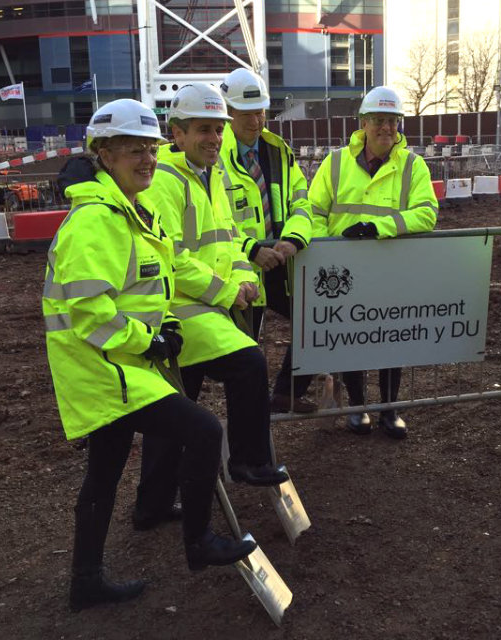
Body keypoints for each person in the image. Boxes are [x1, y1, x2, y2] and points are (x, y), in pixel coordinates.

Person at [43, 99, 258, 612]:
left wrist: (167, 324)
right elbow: (91, 313)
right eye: (133, 150)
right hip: (104, 368)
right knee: (203, 430)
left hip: (118, 362)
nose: (147, 160)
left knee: (104, 473)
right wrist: (150, 341)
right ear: (104, 154)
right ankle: (200, 543)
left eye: (151, 149)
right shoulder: (96, 221)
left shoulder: (132, 211)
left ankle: (85, 581)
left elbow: (149, 283)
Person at [135, 84, 288, 522]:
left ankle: (152, 505)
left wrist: (245, 279)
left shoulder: (211, 175)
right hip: (179, 311)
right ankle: (248, 460)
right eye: (204, 129)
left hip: (204, 307)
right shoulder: (164, 182)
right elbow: (169, 258)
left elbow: (229, 241)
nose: (215, 138)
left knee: (173, 412)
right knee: (249, 363)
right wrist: (226, 291)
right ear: (177, 134)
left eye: (218, 130)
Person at [308, 86, 438, 439]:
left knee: (391, 338)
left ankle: (389, 409)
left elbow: (427, 213)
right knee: (351, 338)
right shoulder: (336, 163)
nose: (386, 127)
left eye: (392, 121)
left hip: (391, 269)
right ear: (363, 123)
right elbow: (314, 211)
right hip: (344, 269)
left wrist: (377, 227)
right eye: (379, 120)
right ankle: (357, 406)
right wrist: (327, 249)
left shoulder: (412, 166)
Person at [218, 67, 317, 414]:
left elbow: (301, 201)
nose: (256, 120)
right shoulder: (214, 155)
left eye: (260, 111)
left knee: (315, 318)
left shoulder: (278, 151)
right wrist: (251, 249)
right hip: (238, 267)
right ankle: (246, 423)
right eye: (246, 113)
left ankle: (286, 393)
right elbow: (214, 219)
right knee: (243, 354)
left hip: (279, 261)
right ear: (228, 112)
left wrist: (293, 239)